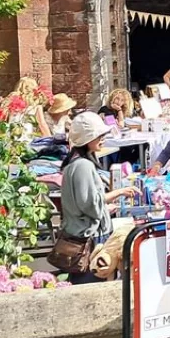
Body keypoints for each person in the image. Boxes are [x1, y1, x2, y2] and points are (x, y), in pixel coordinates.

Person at [59, 112, 140, 284]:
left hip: (77, 235)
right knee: (91, 285)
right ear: (87, 138)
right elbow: (90, 205)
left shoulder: (73, 164)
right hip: (89, 237)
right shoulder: (84, 166)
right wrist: (110, 203)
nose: (103, 138)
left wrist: (116, 195)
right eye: (99, 135)